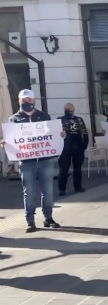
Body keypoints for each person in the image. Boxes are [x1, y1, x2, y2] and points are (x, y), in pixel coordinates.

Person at [4, 89, 63, 231]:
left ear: (34, 101)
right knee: (28, 191)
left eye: (29, 100)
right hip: (26, 161)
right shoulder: (13, 119)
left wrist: (60, 135)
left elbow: (52, 135)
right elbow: (12, 140)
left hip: (45, 159)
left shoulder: (44, 116)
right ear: (19, 101)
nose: (27, 102)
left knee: (47, 190)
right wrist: (6, 143)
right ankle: (30, 220)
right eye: (24, 100)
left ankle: (48, 218)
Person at [58, 103, 89, 195]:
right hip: (65, 147)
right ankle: (62, 189)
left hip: (78, 146)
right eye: (66, 109)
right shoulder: (60, 120)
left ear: (74, 109)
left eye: (70, 108)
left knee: (78, 168)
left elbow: (85, 132)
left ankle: (78, 186)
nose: (68, 110)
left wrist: (84, 145)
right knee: (64, 169)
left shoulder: (79, 120)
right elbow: (55, 134)